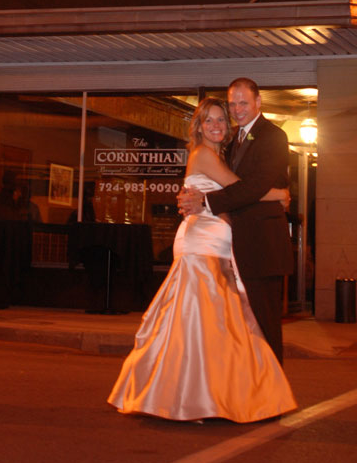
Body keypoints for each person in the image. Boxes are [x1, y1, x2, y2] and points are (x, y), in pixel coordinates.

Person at [108, 97, 296, 422]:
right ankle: (193, 399)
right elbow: (241, 190)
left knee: (209, 325)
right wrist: (279, 194)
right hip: (204, 243)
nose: (216, 126)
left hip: (214, 241)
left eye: (221, 120)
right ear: (199, 126)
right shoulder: (205, 155)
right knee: (200, 322)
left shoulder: (217, 154)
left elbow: (233, 194)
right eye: (208, 121)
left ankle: (204, 396)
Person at [178, 77, 294, 363]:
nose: (237, 109)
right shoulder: (229, 144)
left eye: (243, 102)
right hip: (230, 247)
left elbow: (250, 187)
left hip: (262, 247)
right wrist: (278, 193)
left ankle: (271, 400)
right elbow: (235, 185)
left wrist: (205, 200)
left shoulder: (273, 136)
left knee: (264, 327)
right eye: (233, 104)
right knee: (239, 327)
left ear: (258, 102)